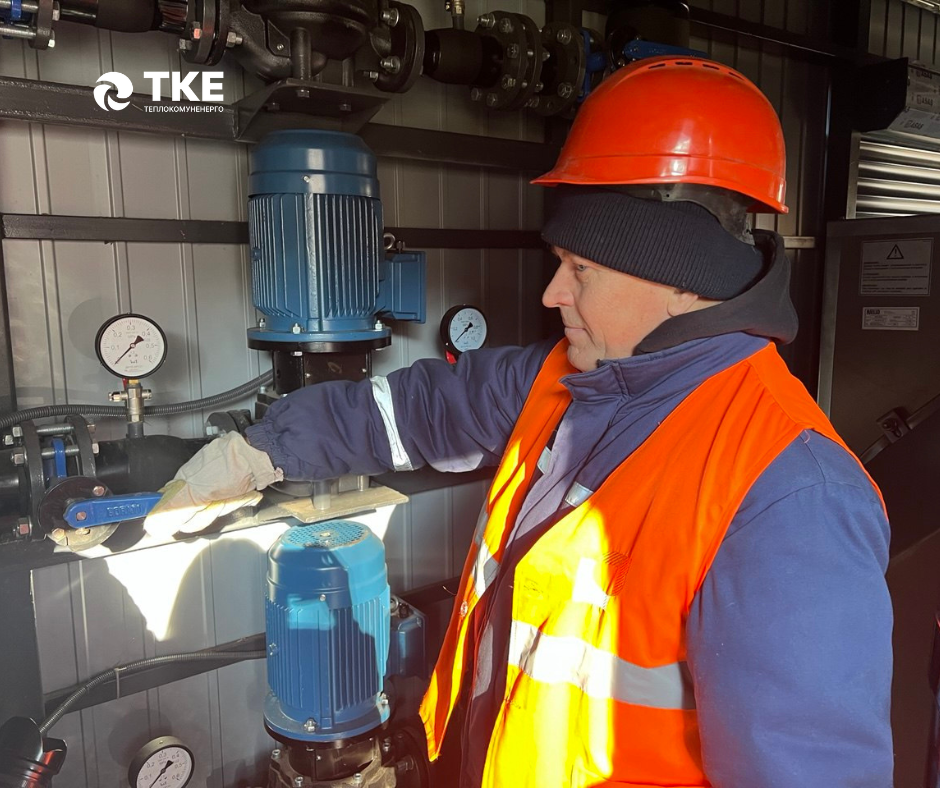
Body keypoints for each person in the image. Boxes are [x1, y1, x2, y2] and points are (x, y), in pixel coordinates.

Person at [146, 56, 894, 787]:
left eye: (581, 269)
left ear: (681, 280)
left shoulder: (792, 499)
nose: (551, 293)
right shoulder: (567, 377)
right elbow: (413, 410)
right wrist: (258, 452)